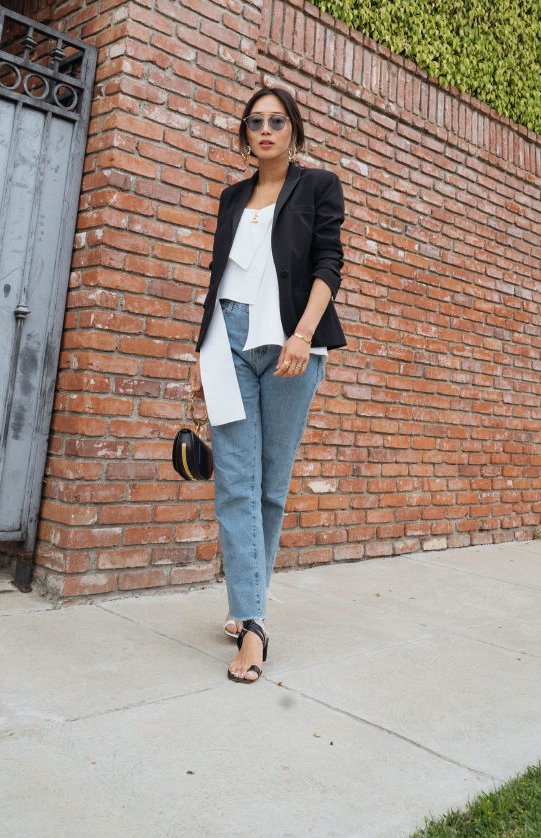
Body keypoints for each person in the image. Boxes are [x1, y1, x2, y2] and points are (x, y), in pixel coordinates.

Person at [189, 86, 346, 683]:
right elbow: (218, 279)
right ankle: (253, 625)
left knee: (270, 486)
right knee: (235, 482)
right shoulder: (232, 197)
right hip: (226, 342)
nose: (265, 130)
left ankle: (244, 604)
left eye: (277, 121)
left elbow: (328, 264)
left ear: (294, 131)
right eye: (254, 122)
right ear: (245, 135)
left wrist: (302, 335)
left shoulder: (319, 186)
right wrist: (201, 354)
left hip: (290, 344)